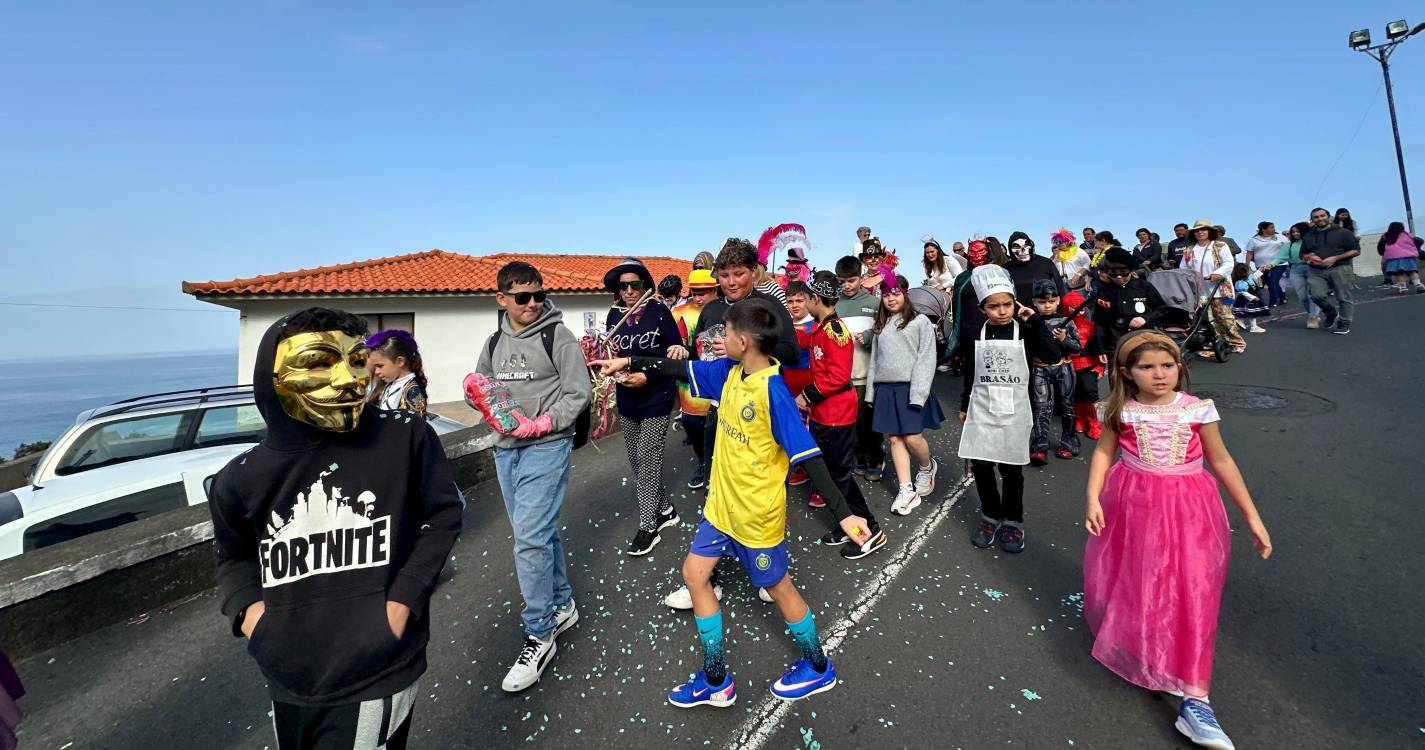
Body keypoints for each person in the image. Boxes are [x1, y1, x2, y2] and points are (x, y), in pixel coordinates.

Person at [590, 299, 872, 708]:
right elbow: (677, 367)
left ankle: (817, 666)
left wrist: (845, 514)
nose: (718, 340)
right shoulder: (729, 372)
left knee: (778, 586)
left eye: (723, 333)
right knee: (694, 574)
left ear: (743, 341)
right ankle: (717, 679)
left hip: (756, 517)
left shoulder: (773, 391)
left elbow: (809, 457)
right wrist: (627, 360)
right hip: (720, 508)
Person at [209, 307, 463, 749]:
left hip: (378, 672)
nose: (348, 379)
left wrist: (400, 605)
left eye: (355, 360)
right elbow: (233, 557)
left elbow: (442, 515)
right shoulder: (241, 477)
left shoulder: (406, 437)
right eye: (320, 362)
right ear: (272, 377)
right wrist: (256, 622)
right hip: (286, 678)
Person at [1084, 331, 1272, 750]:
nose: (1159, 374)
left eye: (1167, 366)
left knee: (1193, 587)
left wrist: (1252, 516)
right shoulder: (1122, 410)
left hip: (1191, 508)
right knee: (1142, 577)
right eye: (1147, 367)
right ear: (1127, 373)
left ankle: (1195, 696)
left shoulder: (1198, 409)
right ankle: (1147, 645)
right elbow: (1103, 452)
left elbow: (1221, 459)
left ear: (1180, 368)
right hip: (1134, 506)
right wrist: (1092, 498)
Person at [474, 261, 593, 692]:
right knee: (539, 533)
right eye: (522, 297)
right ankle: (562, 605)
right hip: (506, 450)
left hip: (546, 446)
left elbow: (579, 392)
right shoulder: (493, 340)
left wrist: (543, 424)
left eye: (538, 295)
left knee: (529, 539)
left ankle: (539, 633)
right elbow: (484, 388)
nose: (532, 303)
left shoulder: (556, 335)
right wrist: (481, 398)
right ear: (501, 298)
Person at [958, 265, 1058, 554]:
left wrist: (1037, 322)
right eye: (994, 306)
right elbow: (971, 373)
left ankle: (1013, 521)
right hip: (982, 410)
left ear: (1015, 303)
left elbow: (1052, 356)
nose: (1001, 311)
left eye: (1007, 304)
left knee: (1012, 471)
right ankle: (990, 516)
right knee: (982, 468)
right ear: (982, 308)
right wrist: (965, 405)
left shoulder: (1026, 330)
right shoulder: (976, 335)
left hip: (1015, 411)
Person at [799, 270, 887, 557]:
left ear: (815, 298)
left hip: (836, 415)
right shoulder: (820, 328)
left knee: (840, 476)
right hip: (826, 414)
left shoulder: (834, 332)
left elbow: (838, 377)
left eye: (805, 298)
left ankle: (870, 530)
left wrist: (806, 394)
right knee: (831, 474)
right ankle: (846, 522)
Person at [603, 258, 687, 556]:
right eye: (622, 285)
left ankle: (648, 525)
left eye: (634, 284)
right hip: (627, 399)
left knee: (647, 457)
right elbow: (612, 353)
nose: (628, 290)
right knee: (637, 461)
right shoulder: (614, 316)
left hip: (657, 396)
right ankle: (665, 509)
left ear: (645, 285)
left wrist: (647, 375)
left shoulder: (660, 312)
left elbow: (676, 353)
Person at [865, 268, 944, 515]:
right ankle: (906, 489)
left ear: (906, 295)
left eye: (896, 293)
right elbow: (875, 361)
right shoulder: (881, 324)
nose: (891, 298)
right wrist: (870, 393)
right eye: (886, 294)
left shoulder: (920, 322)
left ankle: (926, 466)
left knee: (912, 437)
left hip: (911, 387)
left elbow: (926, 359)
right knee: (895, 439)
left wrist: (918, 393)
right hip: (886, 390)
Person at [835, 255, 887, 481]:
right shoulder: (835, 305)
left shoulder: (875, 304)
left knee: (869, 422)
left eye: (851, 280)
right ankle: (858, 455)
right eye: (842, 281)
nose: (847, 285)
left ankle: (875, 458)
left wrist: (866, 336)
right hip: (844, 376)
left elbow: (883, 331)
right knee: (851, 421)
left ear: (861, 277)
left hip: (868, 375)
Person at [671, 269, 720, 489]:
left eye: (704, 292)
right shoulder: (680, 311)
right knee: (691, 422)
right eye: (695, 292)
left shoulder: (727, 309)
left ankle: (717, 467)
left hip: (721, 377)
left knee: (720, 426)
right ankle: (703, 461)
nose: (698, 297)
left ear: (715, 289)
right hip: (690, 377)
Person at [1028, 280, 1081, 464]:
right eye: (1042, 302)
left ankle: (1069, 442)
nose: (1047, 305)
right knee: (1041, 407)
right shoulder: (1031, 322)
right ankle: (1039, 445)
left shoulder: (1067, 321)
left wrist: (1064, 338)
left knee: (1067, 406)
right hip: (1039, 368)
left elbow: (1077, 347)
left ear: (1058, 300)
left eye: (1051, 301)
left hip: (1064, 367)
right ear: (1034, 301)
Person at [1092, 247, 1170, 358]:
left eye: (1124, 273)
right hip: (1115, 344)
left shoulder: (1144, 286)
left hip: (1143, 341)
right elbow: (1100, 321)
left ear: (1131, 270)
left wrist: (1145, 318)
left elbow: (1162, 310)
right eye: (1113, 274)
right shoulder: (1104, 291)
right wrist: (1100, 349)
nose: (1119, 277)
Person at [1182, 220, 1246, 354]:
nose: (1200, 232)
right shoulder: (1189, 250)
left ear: (1209, 231)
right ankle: (1213, 345)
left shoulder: (1220, 245)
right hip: (1200, 291)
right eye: (1197, 230)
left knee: (1224, 317)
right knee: (1206, 320)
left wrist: (1218, 273)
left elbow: (1229, 263)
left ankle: (1235, 342)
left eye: (1203, 229)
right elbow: (1183, 268)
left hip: (1220, 289)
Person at [1302, 207, 1360, 335]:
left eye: (1322, 216)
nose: (1319, 219)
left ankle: (1344, 324)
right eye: (1316, 217)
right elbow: (1303, 254)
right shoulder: (1308, 236)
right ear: (1312, 219)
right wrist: (1310, 256)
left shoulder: (1343, 232)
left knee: (1343, 297)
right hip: (1316, 270)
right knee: (1316, 296)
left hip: (1340, 268)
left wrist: (1336, 258)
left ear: (1328, 217)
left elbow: (1355, 250)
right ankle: (1331, 313)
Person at [1062, 286, 1104, 440]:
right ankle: (1079, 418)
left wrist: (1100, 366)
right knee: (1074, 394)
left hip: (1088, 366)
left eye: (1080, 308)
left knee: (1090, 394)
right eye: (1073, 308)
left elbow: (1098, 347)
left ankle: (1093, 422)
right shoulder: (1062, 326)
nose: (1078, 311)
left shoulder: (1090, 327)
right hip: (1069, 366)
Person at [366, 329, 429, 416]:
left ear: (400, 361)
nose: (376, 372)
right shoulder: (391, 382)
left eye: (380, 366)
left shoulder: (412, 390)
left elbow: (415, 426)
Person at [1276, 222, 1320, 327]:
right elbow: (1280, 257)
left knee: (1312, 294)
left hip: (1312, 268)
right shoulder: (1289, 245)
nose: (1295, 234)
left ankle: (1313, 317)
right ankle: (1312, 314)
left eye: (1297, 231)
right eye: (1293, 232)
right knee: (1302, 297)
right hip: (1295, 269)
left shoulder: (1313, 242)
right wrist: (1271, 264)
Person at [1004, 231, 1065, 304]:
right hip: (1019, 313)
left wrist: (1060, 311)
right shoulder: (1005, 269)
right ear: (1010, 249)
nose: (1022, 250)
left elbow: (1060, 288)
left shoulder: (1045, 263)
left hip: (1045, 313)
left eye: (1026, 245)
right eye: (1016, 246)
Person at [1241, 222, 1287, 307]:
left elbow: (1288, 247)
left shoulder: (1280, 237)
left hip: (1279, 264)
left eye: (1274, 227)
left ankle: (1273, 302)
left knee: (1273, 282)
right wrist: (1246, 265)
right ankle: (1282, 296)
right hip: (1261, 266)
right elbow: (1250, 253)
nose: (1274, 229)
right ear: (1263, 229)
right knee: (1269, 283)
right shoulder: (1254, 240)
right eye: (1271, 227)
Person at [1378, 221, 1424, 294]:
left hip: (1393, 258)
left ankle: (1402, 287)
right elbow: (1419, 240)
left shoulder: (1386, 236)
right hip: (1408, 257)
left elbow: (1381, 248)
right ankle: (1418, 285)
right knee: (1412, 271)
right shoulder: (1407, 235)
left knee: (1399, 273)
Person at [1230, 263, 1269, 334]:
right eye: (1249, 270)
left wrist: (1260, 270)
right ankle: (1253, 327)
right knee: (1252, 313)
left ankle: (1240, 321)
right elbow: (1243, 292)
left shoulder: (1248, 278)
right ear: (1244, 272)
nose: (1250, 271)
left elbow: (1254, 276)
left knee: (1248, 312)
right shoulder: (1240, 283)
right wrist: (1253, 298)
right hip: (1248, 300)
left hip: (1251, 298)